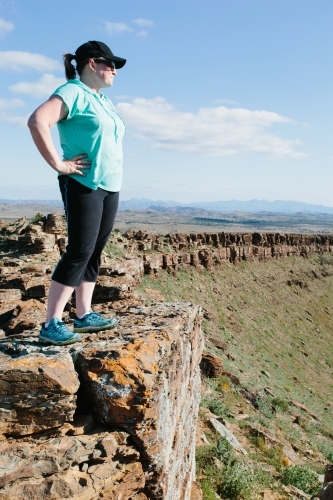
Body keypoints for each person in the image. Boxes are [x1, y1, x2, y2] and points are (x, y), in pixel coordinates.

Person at [28, 41, 126, 346]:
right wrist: (58, 163)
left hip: (110, 185)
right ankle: (51, 323)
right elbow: (37, 121)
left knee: (94, 251)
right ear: (91, 63)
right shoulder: (72, 91)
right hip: (85, 183)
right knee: (79, 250)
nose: (114, 71)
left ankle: (83, 315)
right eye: (109, 64)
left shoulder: (103, 100)